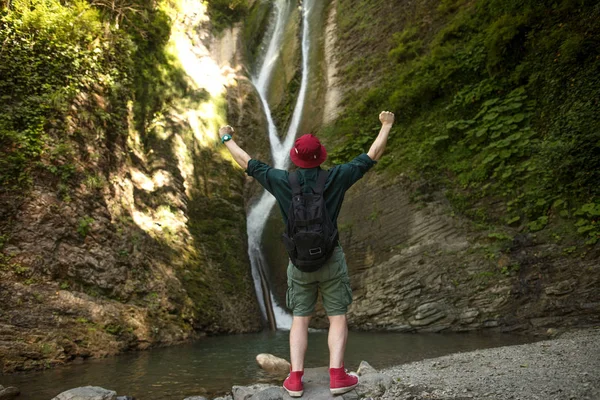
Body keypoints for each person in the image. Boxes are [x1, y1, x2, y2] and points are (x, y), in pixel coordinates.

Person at [218, 110, 395, 397]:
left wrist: (226, 138)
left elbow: (246, 162)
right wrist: (386, 125)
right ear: (321, 157)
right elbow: (373, 154)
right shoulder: (337, 177)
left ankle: (295, 380)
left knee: (300, 318)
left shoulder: (282, 180)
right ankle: (338, 377)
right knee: (337, 316)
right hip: (331, 257)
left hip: (298, 263)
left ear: (295, 158)